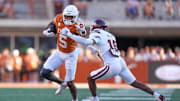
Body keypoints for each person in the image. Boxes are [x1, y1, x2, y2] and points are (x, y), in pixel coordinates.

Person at [61, 19, 166, 101]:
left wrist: (70, 35)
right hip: (120, 61)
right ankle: (157, 95)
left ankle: (95, 99)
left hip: (113, 65)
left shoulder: (96, 34)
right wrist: (95, 51)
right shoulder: (110, 36)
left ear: (95, 27)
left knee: (90, 78)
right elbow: (105, 53)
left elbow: (87, 42)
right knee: (134, 82)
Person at [40, 5, 86, 101]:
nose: (68, 19)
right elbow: (53, 22)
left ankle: (75, 99)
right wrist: (48, 29)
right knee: (45, 72)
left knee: (70, 82)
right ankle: (61, 83)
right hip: (59, 52)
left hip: (70, 54)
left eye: (71, 17)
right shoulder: (59, 18)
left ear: (76, 16)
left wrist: (73, 33)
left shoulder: (78, 25)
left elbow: (83, 35)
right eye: (67, 16)